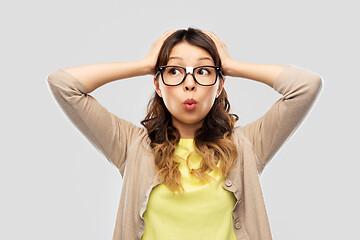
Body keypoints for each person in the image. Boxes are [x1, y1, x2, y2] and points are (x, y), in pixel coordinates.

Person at [46, 27, 323, 240]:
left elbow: (306, 86)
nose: (189, 84)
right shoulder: (132, 145)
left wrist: (231, 64)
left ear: (219, 84)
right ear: (158, 84)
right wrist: (144, 64)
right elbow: (64, 85)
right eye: (175, 71)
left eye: (203, 71)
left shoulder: (246, 145)